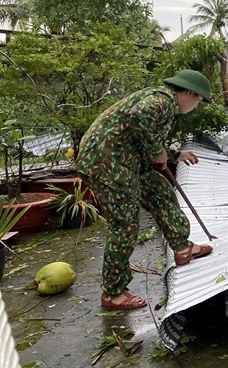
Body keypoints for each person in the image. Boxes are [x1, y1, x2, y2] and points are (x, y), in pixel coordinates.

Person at [75, 70, 215, 309]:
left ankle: (182, 246)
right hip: (108, 165)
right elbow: (139, 117)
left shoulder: (163, 102)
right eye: (198, 101)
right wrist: (156, 149)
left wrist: (173, 154)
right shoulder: (162, 100)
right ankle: (113, 291)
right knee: (125, 226)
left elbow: (141, 135)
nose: (196, 106)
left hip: (126, 162)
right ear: (189, 93)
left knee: (161, 192)